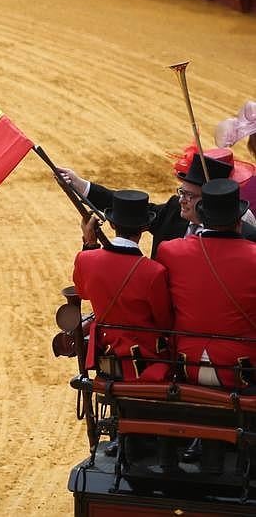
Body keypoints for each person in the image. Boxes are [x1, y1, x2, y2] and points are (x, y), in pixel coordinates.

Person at [155, 178, 256, 408]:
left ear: (202, 218)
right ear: (239, 221)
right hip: (243, 371)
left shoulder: (170, 251)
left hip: (185, 365)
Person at [58, 149, 246, 256]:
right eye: (181, 192)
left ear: (209, 202)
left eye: (190, 196)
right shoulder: (173, 209)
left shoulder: (246, 234)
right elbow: (128, 207)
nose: (182, 200)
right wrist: (80, 185)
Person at [73, 189, 174, 383]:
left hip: (106, 359)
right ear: (145, 227)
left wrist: (90, 243)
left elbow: (82, 292)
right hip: (147, 365)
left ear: (111, 224)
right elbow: (164, 323)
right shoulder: (154, 271)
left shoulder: (86, 258)